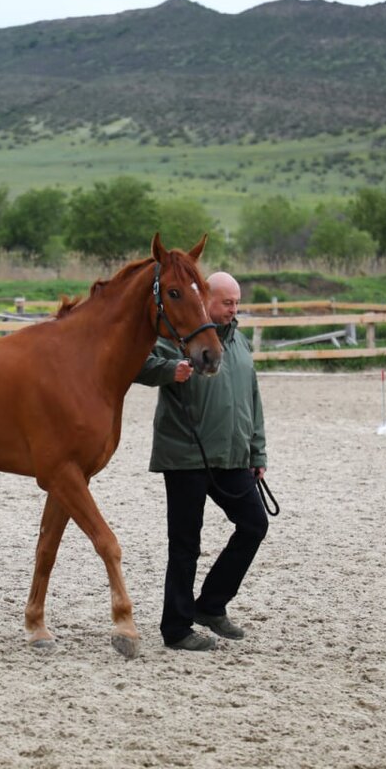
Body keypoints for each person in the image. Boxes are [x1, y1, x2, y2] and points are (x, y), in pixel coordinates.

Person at [136, 271, 269, 651]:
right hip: (186, 457)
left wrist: (256, 452)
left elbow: (252, 401)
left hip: (232, 457)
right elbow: (137, 364)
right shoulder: (176, 338)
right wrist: (168, 370)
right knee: (185, 544)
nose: (234, 309)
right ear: (207, 299)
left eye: (237, 303)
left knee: (254, 525)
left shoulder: (239, 343)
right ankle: (176, 629)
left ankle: (210, 605)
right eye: (228, 302)